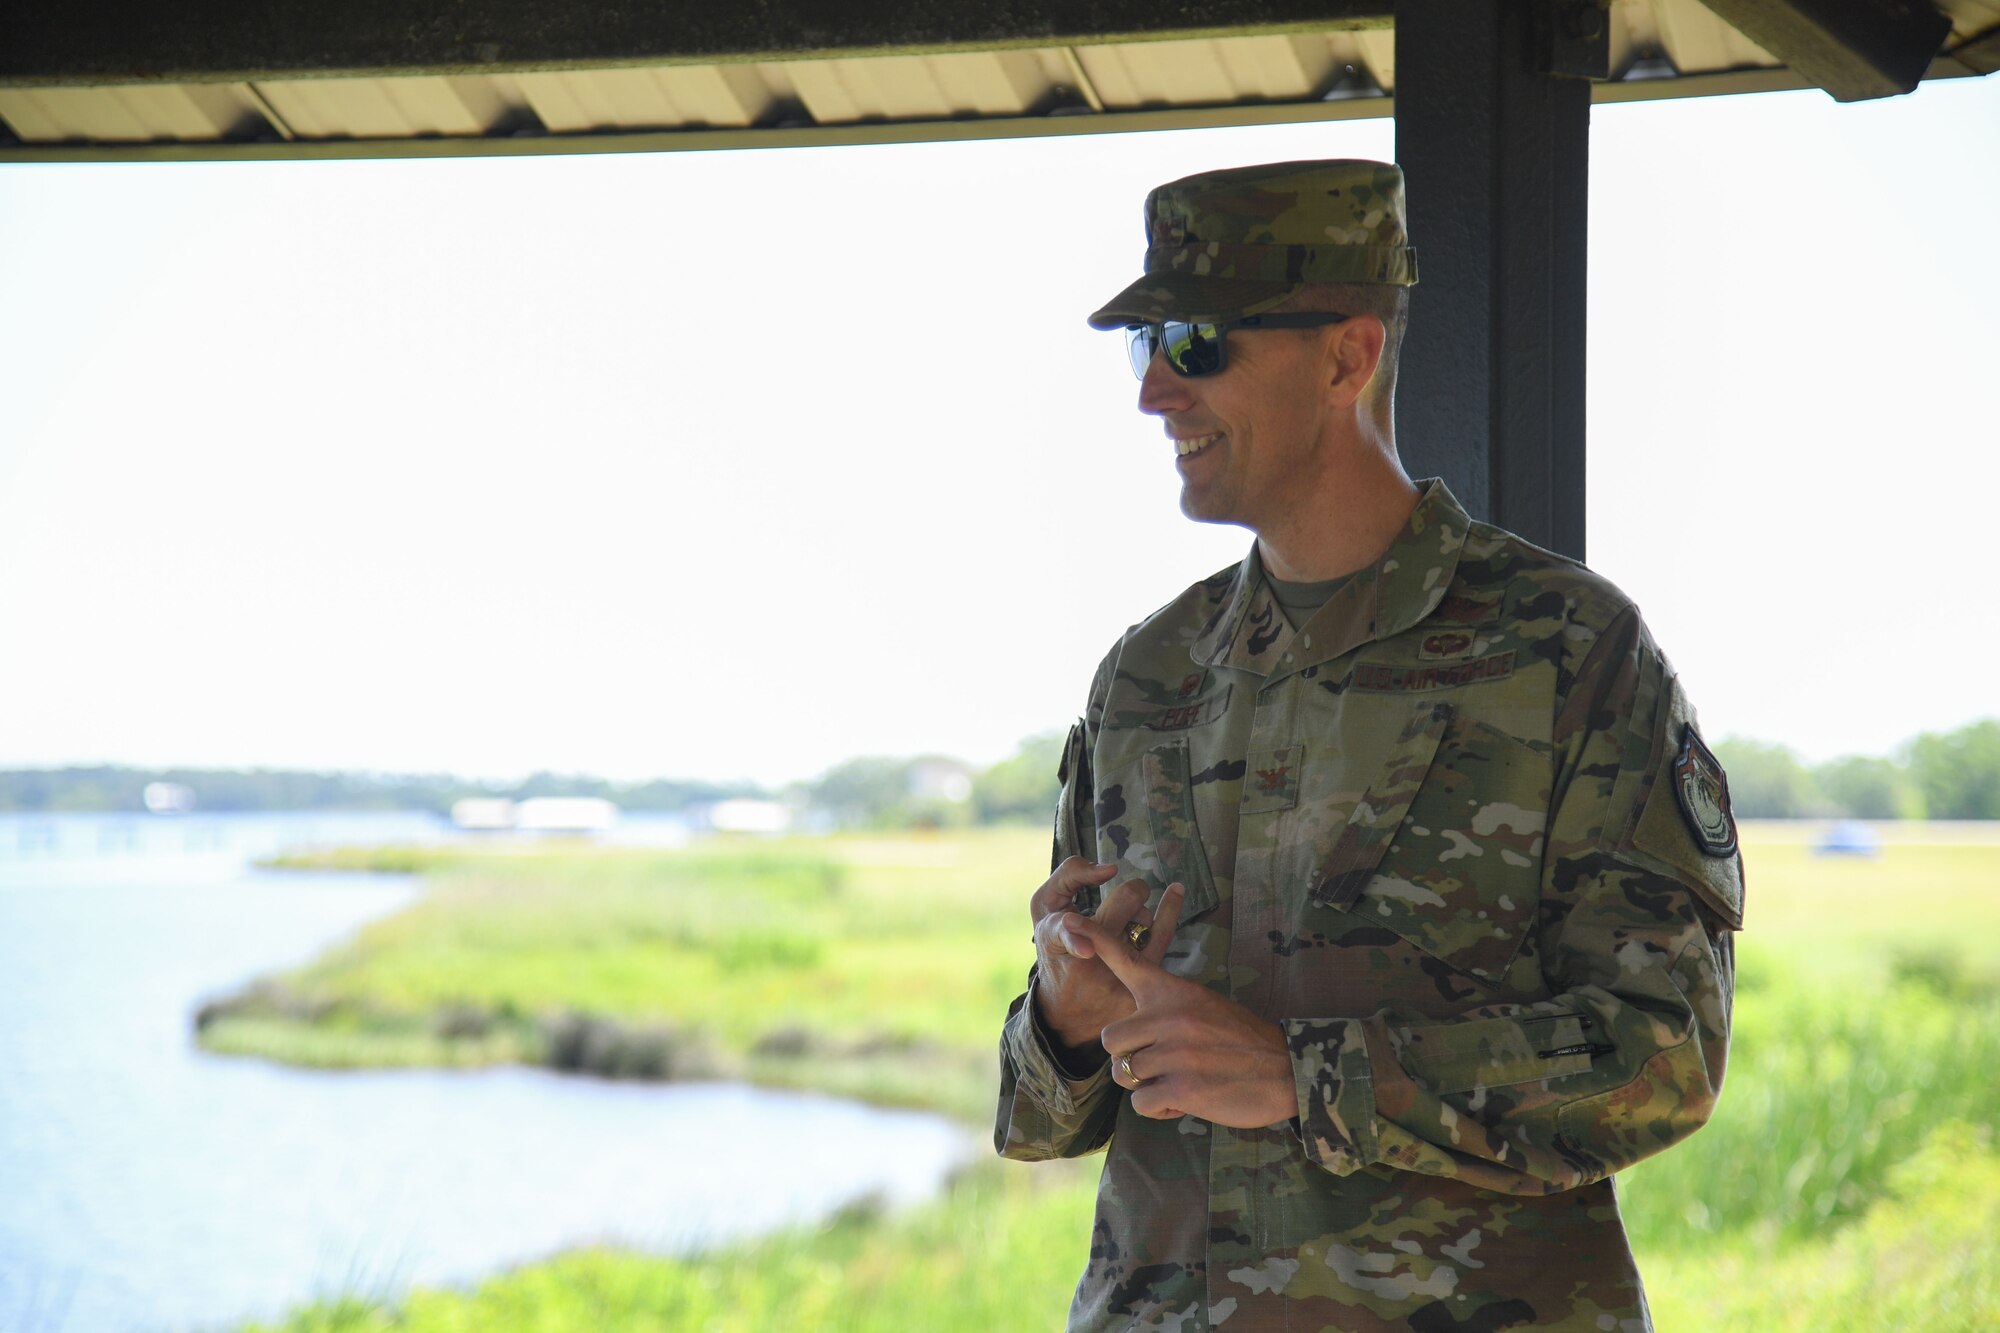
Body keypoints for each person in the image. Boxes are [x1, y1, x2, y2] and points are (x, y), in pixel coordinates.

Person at [994, 159, 1743, 1331]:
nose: (1154, 394)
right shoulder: (1146, 677)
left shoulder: (1563, 648)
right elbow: (1040, 1117)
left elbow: (1663, 1054)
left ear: (1346, 357)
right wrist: (1063, 1022)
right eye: (1140, 349)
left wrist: (1303, 1078)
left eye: (1194, 343)